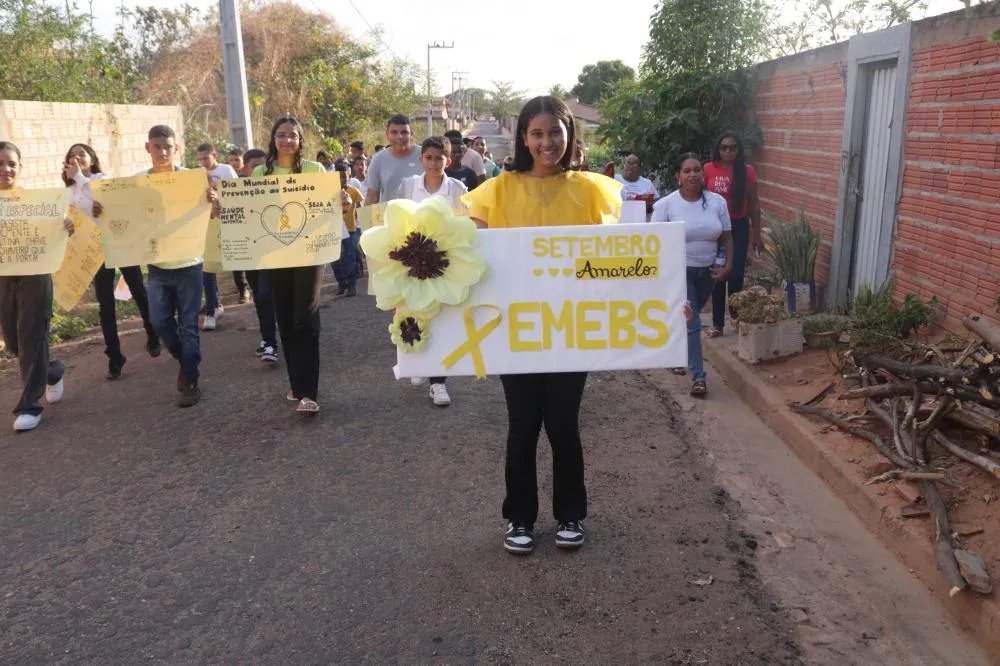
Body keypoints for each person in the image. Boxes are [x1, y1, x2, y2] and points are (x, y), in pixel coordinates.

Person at [463, 96, 622, 555]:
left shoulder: (593, 190)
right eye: (537, 133)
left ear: (569, 134)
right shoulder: (497, 190)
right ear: (523, 138)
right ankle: (520, 518)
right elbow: (467, 259)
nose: (546, 142)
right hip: (516, 330)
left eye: (555, 132)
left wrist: (669, 305)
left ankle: (570, 513)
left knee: (564, 425)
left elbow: (624, 263)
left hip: (571, 328)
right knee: (522, 425)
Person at [95, 125, 218, 408]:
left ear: (176, 149)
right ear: (147, 148)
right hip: (158, 267)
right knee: (160, 322)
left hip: (189, 264)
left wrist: (214, 202)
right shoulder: (138, 181)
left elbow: (212, 214)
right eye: (157, 146)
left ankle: (190, 378)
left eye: (168, 146)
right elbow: (120, 211)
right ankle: (185, 362)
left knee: (188, 326)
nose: (162, 151)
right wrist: (102, 210)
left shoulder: (191, 180)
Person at [253, 116, 332, 414]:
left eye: (293, 136)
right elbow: (251, 211)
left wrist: (342, 203)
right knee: (285, 318)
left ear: (301, 140)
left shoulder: (315, 170)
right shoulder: (261, 172)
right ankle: (297, 385)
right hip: (275, 253)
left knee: (306, 317)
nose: (287, 140)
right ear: (273, 139)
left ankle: (309, 393)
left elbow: (326, 205)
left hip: (310, 251)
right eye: (281, 135)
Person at [61, 143, 160, 380]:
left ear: (92, 158)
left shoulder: (100, 179)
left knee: (138, 290)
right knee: (106, 306)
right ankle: (115, 357)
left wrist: (83, 181)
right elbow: (72, 218)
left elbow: (108, 199)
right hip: (96, 252)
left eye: (81, 154)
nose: (77, 158)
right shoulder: (69, 191)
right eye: (72, 156)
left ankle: (153, 333)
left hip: (119, 243)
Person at [0, 141, 73, 431]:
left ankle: (29, 406)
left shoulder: (34, 202)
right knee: (15, 343)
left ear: (20, 167)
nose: (5, 170)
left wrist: (65, 225)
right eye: (0, 164)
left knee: (31, 338)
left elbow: (57, 222)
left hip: (35, 276)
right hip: (4, 278)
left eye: (11, 164)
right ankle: (53, 371)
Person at [650, 152, 733, 397]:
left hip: (708, 271)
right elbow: (654, 242)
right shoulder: (666, 205)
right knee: (693, 321)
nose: (693, 174)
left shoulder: (717, 202)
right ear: (678, 177)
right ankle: (699, 378)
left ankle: (677, 354)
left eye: (697, 170)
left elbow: (727, 237)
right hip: (680, 271)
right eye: (687, 171)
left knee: (686, 320)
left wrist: (728, 265)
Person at [397, 136, 470, 408]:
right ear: (421, 160)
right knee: (411, 312)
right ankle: (416, 362)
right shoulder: (408, 186)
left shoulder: (458, 188)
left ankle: (438, 383)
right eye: (428, 158)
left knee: (440, 317)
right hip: (410, 259)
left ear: (448, 161)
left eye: (439, 158)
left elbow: (465, 224)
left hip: (444, 262)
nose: (433, 163)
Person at [704, 131, 761, 337]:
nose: (728, 151)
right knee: (719, 275)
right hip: (716, 229)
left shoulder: (747, 171)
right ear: (718, 149)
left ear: (739, 150)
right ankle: (718, 324)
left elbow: (754, 204)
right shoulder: (708, 169)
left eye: (733, 148)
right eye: (724, 147)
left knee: (736, 275)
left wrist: (757, 235)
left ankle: (736, 319)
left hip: (738, 226)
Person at [195, 142, 238, 329]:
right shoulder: (196, 174)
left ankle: (246, 292)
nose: (203, 162)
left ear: (215, 155)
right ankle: (212, 309)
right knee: (207, 267)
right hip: (207, 225)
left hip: (228, 221)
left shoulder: (227, 170)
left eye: (206, 157)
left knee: (236, 262)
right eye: (200, 159)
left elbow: (238, 191)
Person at [364, 114, 423, 205]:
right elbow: (372, 196)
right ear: (387, 135)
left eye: (404, 132)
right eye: (394, 132)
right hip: (389, 217)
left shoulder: (425, 156)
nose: (399, 137)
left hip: (420, 216)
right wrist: (367, 218)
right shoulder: (378, 160)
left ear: (411, 134)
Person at [332, 159, 362, 298]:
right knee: (335, 259)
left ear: (349, 176)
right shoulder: (330, 193)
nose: (342, 179)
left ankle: (351, 285)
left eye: (345, 176)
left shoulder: (354, 191)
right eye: (339, 176)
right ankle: (341, 283)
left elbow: (361, 208)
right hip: (334, 231)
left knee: (350, 258)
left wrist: (361, 226)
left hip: (350, 230)